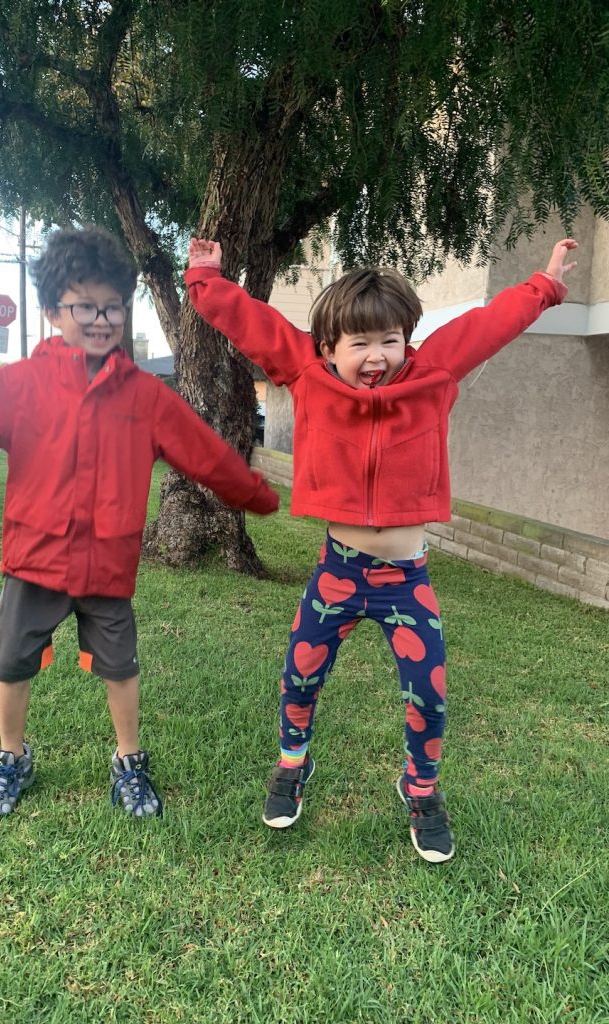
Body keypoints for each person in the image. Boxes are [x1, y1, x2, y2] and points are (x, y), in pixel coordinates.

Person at [0, 226, 279, 821]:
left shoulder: (146, 397)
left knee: (121, 667)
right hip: (35, 560)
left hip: (107, 566)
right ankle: (11, 756)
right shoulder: (18, 386)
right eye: (84, 306)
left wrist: (256, 495)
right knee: (11, 663)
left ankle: (129, 761)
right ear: (52, 311)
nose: (102, 319)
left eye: (113, 306)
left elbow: (205, 454)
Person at [186, 235, 577, 862]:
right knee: (299, 675)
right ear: (327, 348)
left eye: (389, 341)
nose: (376, 357)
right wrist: (206, 278)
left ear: (407, 340)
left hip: (405, 581)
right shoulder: (308, 375)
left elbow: (489, 325)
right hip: (338, 574)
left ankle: (420, 790)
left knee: (428, 692)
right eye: (359, 344)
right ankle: (293, 764)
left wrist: (546, 285)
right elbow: (254, 325)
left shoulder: (432, 374)